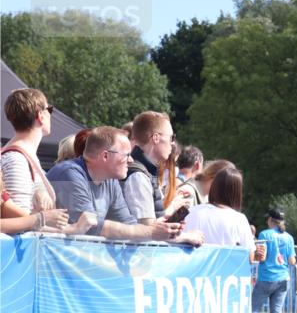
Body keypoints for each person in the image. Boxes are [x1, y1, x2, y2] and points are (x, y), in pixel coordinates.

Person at [46, 126, 192, 242]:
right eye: (126, 155)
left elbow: (129, 225)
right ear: (105, 156)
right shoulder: (68, 174)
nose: (131, 160)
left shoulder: (110, 180)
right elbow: (93, 227)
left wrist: (165, 230)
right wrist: (152, 232)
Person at [182, 167, 260, 262]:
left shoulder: (191, 211)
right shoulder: (239, 219)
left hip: (190, 271)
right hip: (223, 274)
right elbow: (249, 258)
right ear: (237, 192)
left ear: (214, 186)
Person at [1, 88, 57, 213]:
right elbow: (19, 221)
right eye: (49, 110)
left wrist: (41, 190)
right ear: (40, 116)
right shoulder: (17, 160)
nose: (50, 115)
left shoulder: (24, 155)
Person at [252, 208, 297, 313]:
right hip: (283, 278)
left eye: (267, 219)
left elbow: (262, 257)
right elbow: (292, 261)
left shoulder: (265, 234)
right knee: (277, 312)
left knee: (253, 311)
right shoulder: (289, 237)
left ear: (271, 220)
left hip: (267, 277)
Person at [124, 111, 179, 224]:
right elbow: (146, 229)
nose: (172, 143)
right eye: (171, 137)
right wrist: (186, 237)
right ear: (156, 138)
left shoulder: (146, 171)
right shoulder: (138, 176)